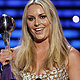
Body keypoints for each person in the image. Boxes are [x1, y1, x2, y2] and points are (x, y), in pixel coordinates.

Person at [0, 0, 80, 80]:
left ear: (52, 19)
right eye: (31, 19)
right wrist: (5, 67)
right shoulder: (15, 55)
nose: (37, 23)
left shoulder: (70, 56)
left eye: (42, 17)